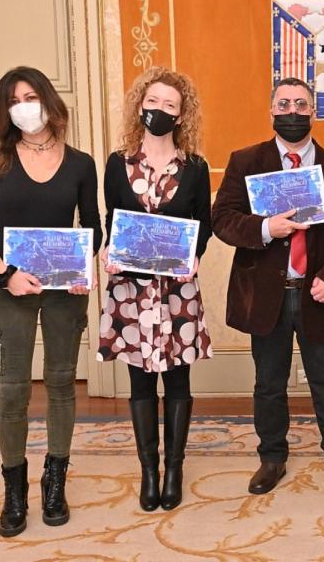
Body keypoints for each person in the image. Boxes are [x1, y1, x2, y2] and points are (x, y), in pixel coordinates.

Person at [211, 77, 324, 498]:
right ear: (271, 111)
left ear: (314, 112)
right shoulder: (245, 161)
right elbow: (222, 219)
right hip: (266, 295)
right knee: (269, 382)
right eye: (285, 103)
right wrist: (265, 227)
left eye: (302, 104)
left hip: (318, 293)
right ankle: (271, 457)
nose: (293, 112)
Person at [0, 66, 102, 537]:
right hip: (12, 287)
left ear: (48, 98)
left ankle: (55, 480)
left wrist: (85, 268)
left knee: (62, 384)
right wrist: (4, 273)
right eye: (14, 99)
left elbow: (93, 225)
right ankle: (14, 488)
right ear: (7, 110)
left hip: (66, 290)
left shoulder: (82, 163)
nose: (24, 105)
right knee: (11, 390)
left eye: (31, 95)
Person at [98, 66, 213, 512]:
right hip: (130, 292)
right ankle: (149, 470)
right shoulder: (116, 163)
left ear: (182, 115)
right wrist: (109, 250)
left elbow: (203, 224)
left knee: (178, 381)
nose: (159, 110)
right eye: (153, 102)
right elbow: (114, 221)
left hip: (177, 291)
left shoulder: (196, 167)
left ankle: (175, 468)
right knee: (141, 382)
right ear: (139, 105)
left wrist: (196, 254)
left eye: (170, 105)